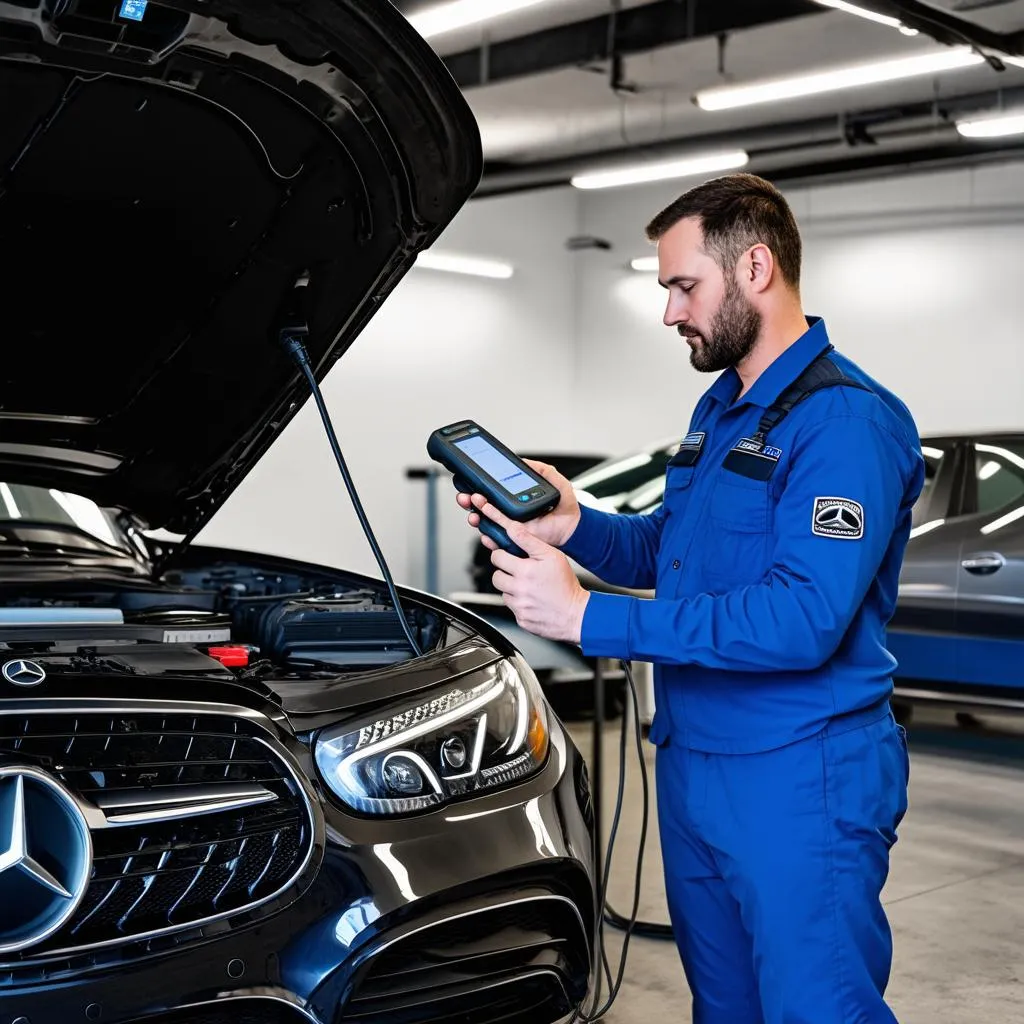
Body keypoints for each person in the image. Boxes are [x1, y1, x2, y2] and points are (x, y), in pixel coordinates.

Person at [457, 172, 923, 1024]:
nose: (671, 311)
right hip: (695, 758)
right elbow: (676, 551)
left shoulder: (844, 425)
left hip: (799, 771)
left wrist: (589, 618)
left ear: (754, 269)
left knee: (816, 1009)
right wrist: (574, 524)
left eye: (682, 286)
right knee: (725, 1006)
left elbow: (800, 619)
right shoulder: (723, 407)